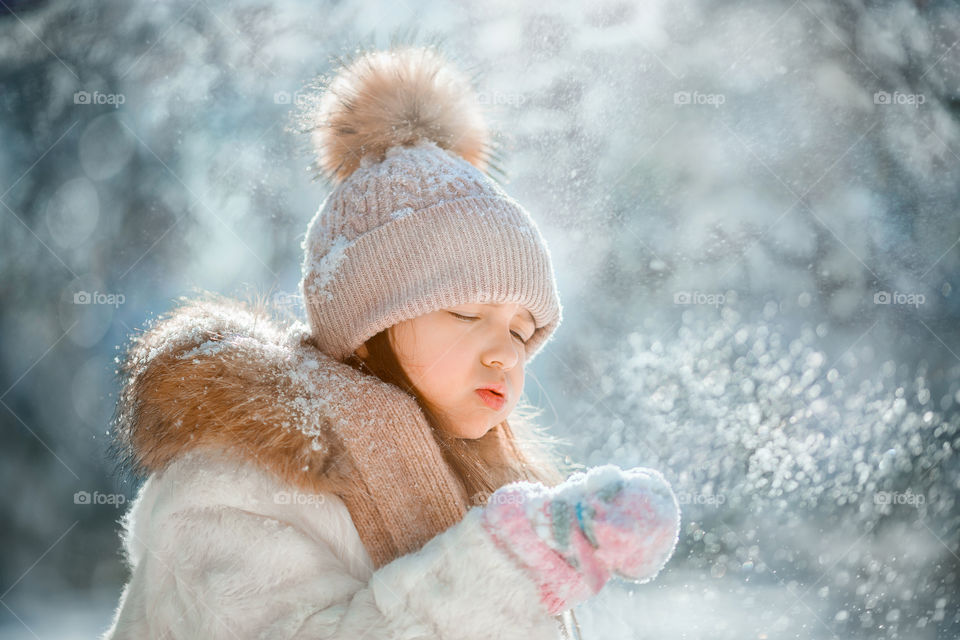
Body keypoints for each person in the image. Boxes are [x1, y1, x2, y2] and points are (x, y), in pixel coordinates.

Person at [101, 43, 681, 640]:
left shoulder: (484, 489)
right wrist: (512, 560)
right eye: (464, 312)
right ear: (365, 327)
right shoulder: (239, 483)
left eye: (521, 331)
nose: (504, 352)